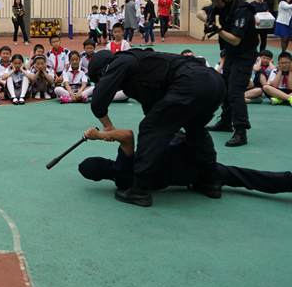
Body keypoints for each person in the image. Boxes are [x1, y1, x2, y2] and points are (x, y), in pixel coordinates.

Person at [85, 48, 225, 207]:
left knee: (149, 129)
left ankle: (140, 189)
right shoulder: (140, 70)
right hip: (214, 83)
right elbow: (153, 110)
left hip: (190, 81)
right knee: (195, 129)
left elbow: (98, 101)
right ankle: (210, 181)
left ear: (102, 72)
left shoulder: (119, 61)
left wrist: (108, 127)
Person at [77, 128, 292, 203]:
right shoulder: (121, 168)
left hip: (187, 175)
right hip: (187, 160)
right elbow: (127, 136)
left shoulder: (123, 182)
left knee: (235, 177)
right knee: (240, 174)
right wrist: (99, 134)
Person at [200, 0, 258, 147]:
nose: (214, 3)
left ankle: (241, 131)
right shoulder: (221, 6)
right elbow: (200, 13)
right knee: (225, 88)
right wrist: (209, 20)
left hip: (244, 54)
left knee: (235, 91)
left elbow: (235, 40)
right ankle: (225, 122)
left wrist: (217, 29)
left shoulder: (242, 11)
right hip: (231, 55)